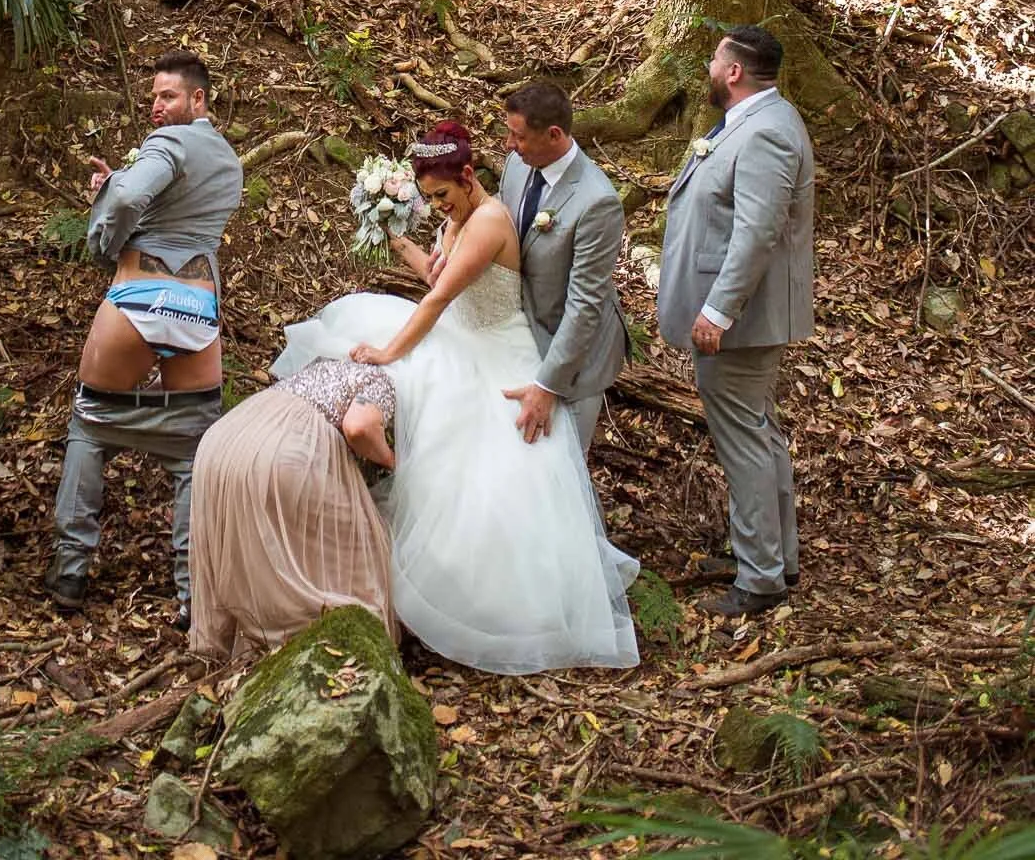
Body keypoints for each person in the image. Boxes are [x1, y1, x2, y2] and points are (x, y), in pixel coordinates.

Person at [274, 124, 639, 675]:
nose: (438, 206)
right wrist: (399, 238)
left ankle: (499, 608)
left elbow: (439, 299)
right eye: (428, 200)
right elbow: (434, 274)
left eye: (443, 196)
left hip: (496, 350)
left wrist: (390, 352)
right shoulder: (458, 216)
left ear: (469, 178)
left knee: (486, 475)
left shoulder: (490, 221)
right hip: (459, 335)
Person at [45, 50, 243, 630]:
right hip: (197, 306)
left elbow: (132, 202)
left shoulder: (167, 145)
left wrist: (106, 209)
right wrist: (121, 183)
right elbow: (179, 207)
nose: (156, 108)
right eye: (154, 97)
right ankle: (189, 593)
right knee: (189, 448)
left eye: (168, 97)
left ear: (197, 100)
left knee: (89, 425)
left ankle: (71, 571)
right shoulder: (227, 159)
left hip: (140, 295)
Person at [657, 26, 814, 617]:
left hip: (740, 320)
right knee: (759, 431)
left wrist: (718, 310)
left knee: (744, 441)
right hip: (741, 315)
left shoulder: (768, 132)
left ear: (733, 72)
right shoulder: (756, 120)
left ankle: (760, 579)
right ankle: (774, 558)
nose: (707, 67)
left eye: (713, 60)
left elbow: (756, 232)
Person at [188, 356, 396, 663]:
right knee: (363, 542)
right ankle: (348, 655)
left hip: (224, 439)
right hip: (280, 450)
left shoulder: (326, 364)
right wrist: (392, 462)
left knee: (253, 546)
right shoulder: (383, 379)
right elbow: (359, 428)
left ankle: (250, 649)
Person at [494, 81, 628, 452]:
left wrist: (548, 385)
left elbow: (585, 304)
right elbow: (498, 222)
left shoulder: (597, 202)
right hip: (524, 331)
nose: (509, 145)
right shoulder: (518, 166)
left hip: (577, 360)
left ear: (553, 135)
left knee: (563, 464)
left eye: (518, 136)